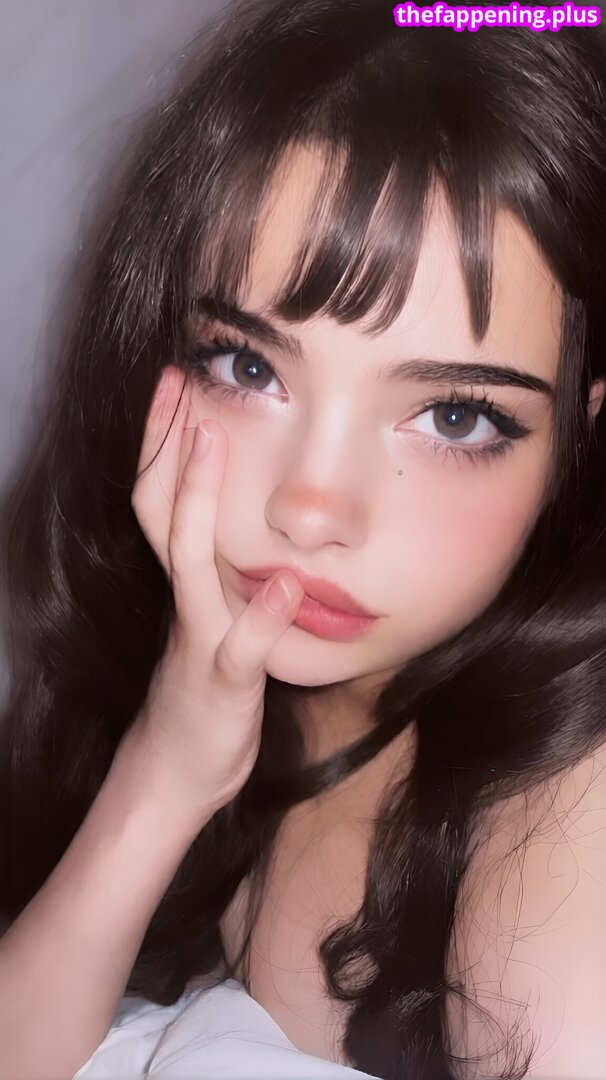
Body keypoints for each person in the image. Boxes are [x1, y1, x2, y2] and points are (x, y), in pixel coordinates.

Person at [1, 0, 606, 1076]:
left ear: (580, 439)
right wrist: (167, 767)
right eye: (248, 367)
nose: (311, 509)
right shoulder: (141, 672)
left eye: (454, 416)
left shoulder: (559, 834)